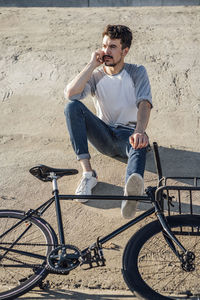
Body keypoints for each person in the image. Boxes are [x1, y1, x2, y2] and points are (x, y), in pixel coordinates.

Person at [64, 24, 152, 219]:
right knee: (72, 106)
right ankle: (88, 174)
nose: (106, 51)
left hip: (128, 135)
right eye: (104, 46)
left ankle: (130, 195)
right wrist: (91, 65)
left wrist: (139, 130)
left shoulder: (137, 72)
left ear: (125, 51)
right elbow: (70, 94)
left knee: (140, 141)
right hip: (103, 134)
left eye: (112, 47)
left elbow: (145, 104)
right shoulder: (96, 75)